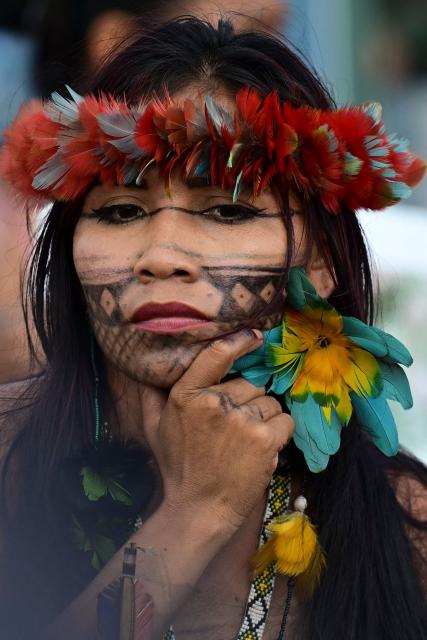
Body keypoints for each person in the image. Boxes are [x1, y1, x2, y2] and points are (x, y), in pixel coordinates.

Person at [0, 17, 426, 640]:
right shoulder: (10, 458)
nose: (162, 253)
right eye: (120, 210)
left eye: (228, 209)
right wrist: (198, 510)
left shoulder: (405, 522)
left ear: (323, 262)